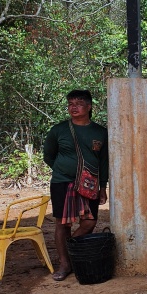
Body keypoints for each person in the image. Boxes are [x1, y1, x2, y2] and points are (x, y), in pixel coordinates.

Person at [42, 89, 109, 281]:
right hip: (62, 183)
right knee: (63, 224)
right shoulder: (58, 130)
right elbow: (48, 155)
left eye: (79, 103)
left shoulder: (100, 132)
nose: (74, 107)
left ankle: (71, 251)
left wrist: (102, 187)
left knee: (89, 222)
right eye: (70, 104)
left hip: (89, 185)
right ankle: (65, 264)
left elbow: (103, 162)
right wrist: (63, 170)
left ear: (89, 107)